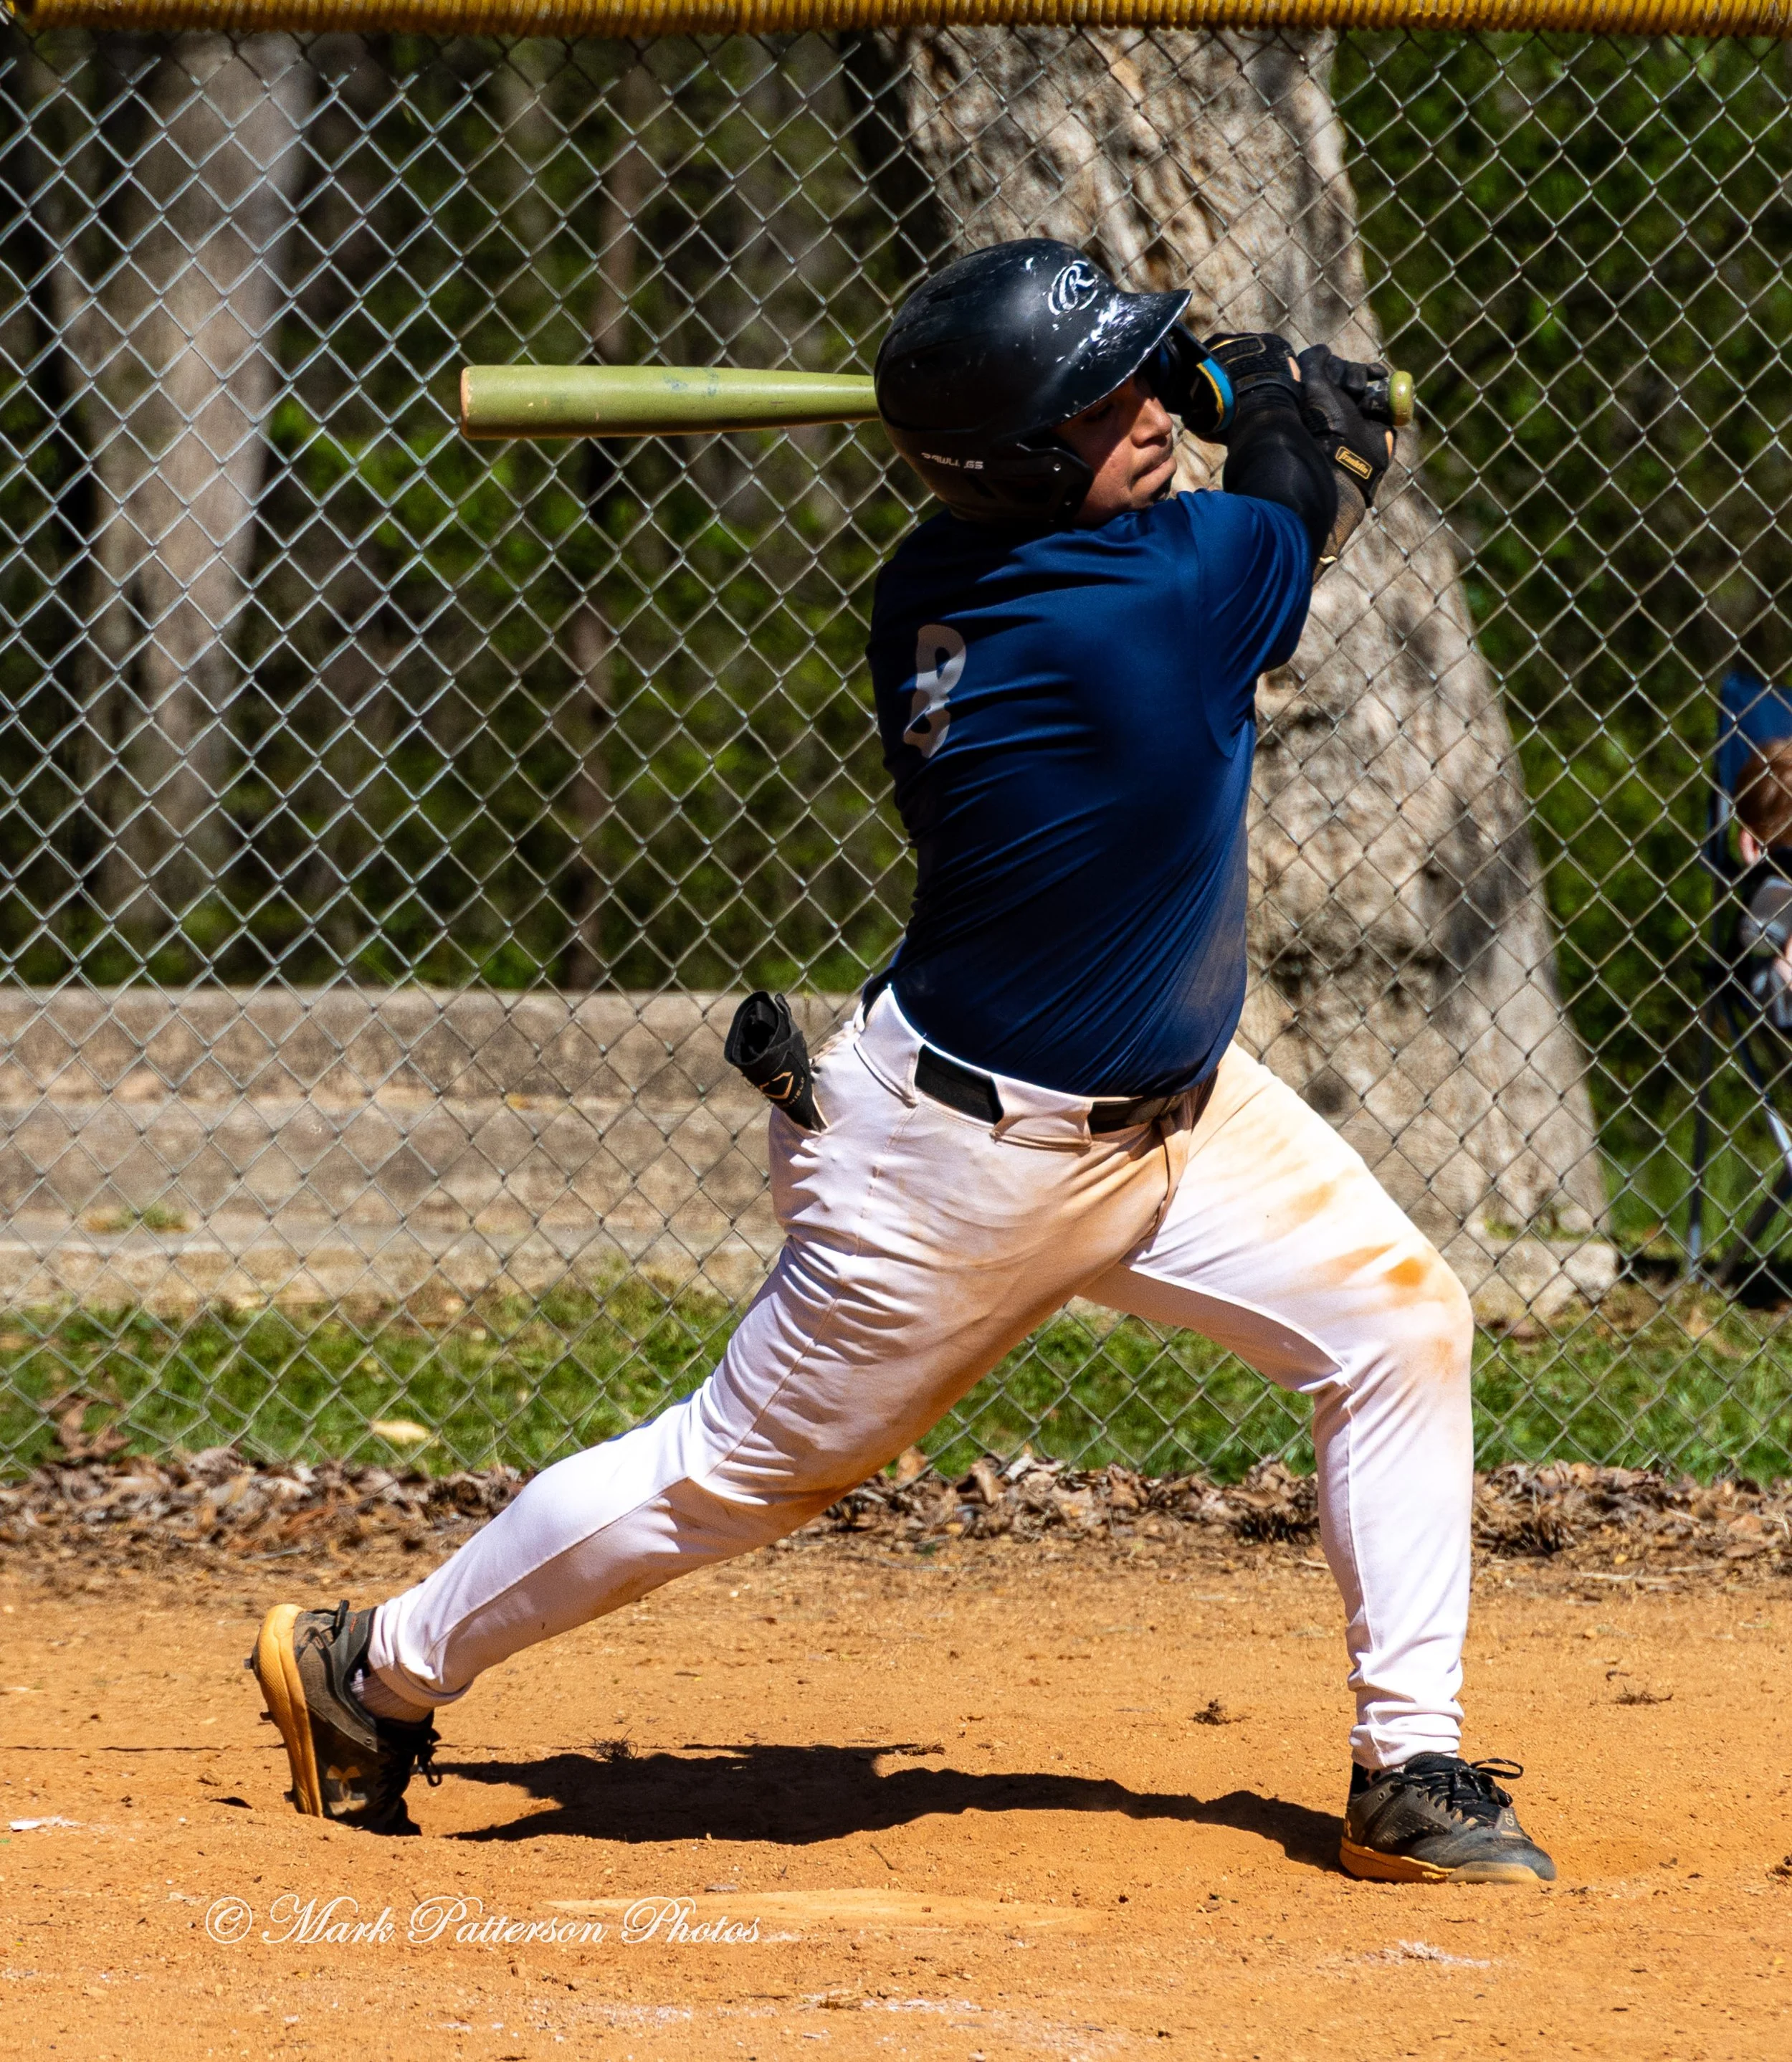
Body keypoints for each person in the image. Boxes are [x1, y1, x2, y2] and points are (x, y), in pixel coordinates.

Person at [249, 239, 1554, 1885]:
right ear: (1011, 463)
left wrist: (1208, 394)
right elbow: (1297, 502)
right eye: (1107, 402)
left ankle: (1405, 1763)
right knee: (725, 1478)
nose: (1148, 408)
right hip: (960, 1178)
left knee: (1396, 1322)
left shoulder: (945, 570)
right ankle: (368, 1670)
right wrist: (1282, 406)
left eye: (1147, 377)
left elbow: (1238, 484)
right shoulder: (1144, 610)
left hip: (1179, 1114)